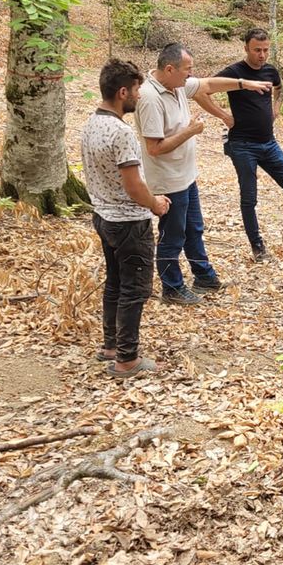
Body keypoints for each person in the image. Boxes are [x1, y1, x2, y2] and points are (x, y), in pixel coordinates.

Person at [135, 42, 273, 305]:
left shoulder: (176, 85)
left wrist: (245, 83)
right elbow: (154, 148)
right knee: (172, 234)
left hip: (186, 175)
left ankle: (204, 276)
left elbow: (209, 85)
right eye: (188, 69)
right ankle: (172, 287)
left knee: (193, 228)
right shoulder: (150, 98)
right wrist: (190, 130)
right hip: (168, 179)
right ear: (169, 68)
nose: (191, 74)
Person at [81, 58, 171, 379]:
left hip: (103, 217)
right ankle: (127, 359)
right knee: (135, 289)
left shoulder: (91, 124)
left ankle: (110, 346)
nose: (139, 96)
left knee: (116, 283)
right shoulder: (121, 133)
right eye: (136, 90)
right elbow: (134, 187)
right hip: (129, 222)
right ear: (122, 92)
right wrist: (156, 204)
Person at [215, 28, 283, 261]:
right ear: (246, 48)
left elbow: (279, 88)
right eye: (257, 50)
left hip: (269, 143)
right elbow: (202, 89)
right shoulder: (235, 72)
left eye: (266, 50)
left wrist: (277, 108)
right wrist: (223, 115)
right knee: (250, 197)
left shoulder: (269, 71)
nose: (262, 55)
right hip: (242, 145)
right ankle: (258, 247)